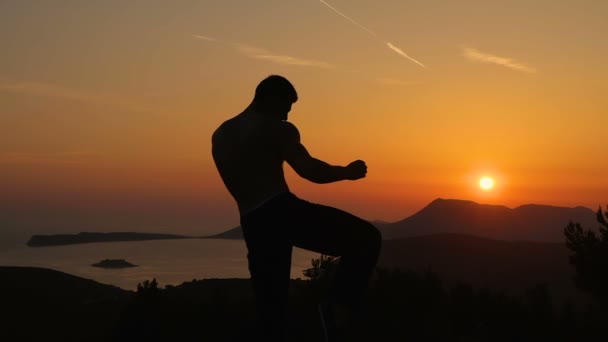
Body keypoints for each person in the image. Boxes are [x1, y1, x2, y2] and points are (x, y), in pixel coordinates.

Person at [211, 75, 381, 341]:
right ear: (269, 98)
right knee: (367, 238)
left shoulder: (221, 134)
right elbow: (310, 170)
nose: (287, 115)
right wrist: (347, 172)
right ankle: (336, 309)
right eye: (286, 106)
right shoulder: (278, 129)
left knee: (272, 309)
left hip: (252, 222)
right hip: (281, 211)